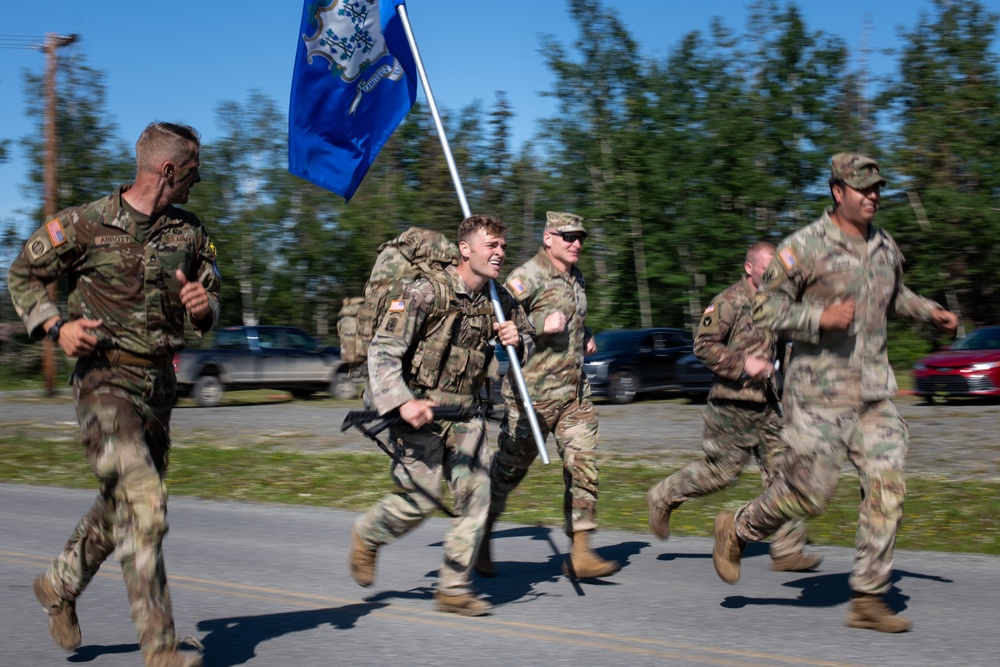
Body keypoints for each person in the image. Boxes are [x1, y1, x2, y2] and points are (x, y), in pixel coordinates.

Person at [711, 153, 959, 633]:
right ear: (837, 192)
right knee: (807, 496)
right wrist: (817, 318)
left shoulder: (884, 245)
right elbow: (764, 308)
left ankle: (868, 596)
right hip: (817, 395)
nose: (872, 196)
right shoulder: (803, 246)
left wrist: (932, 313)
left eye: (877, 189)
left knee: (888, 486)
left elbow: (894, 295)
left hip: (873, 393)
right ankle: (738, 527)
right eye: (861, 188)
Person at [8, 122, 218, 667]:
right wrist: (56, 328)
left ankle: (58, 585)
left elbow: (212, 298)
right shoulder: (84, 224)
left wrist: (203, 307)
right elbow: (23, 274)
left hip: (160, 389)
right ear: (168, 170)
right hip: (104, 382)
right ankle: (160, 648)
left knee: (120, 507)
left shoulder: (190, 232)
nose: (199, 180)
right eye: (194, 169)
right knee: (145, 505)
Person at [349, 214, 532, 617]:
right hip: (418, 409)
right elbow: (383, 350)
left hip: (466, 411)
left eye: (504, 246)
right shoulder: (425, 292)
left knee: (477, 495)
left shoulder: (499, 301)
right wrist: (402, 402)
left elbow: (530, 346)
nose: (501, 252)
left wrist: (517, 341)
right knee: (421, 499)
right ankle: (368, 534)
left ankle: (453, 587)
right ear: (465, 249)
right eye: (492, 245)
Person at [647, 242, 821, 572]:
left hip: (769, 405)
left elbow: (784, 346)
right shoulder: (728, 302)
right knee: (722, 473)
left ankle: (787, 548)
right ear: (750, 268)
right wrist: (743, 363)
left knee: (786, 475)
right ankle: (663, 495)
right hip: (731, 404)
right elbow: (702, 346)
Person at [477, 211, 619, 580]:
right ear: (548, 238)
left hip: (573, 395)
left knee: (583, 464)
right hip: (532, 399)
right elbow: (496, 324)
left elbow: (572, 316)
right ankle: (480, 533)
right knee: (508, 471)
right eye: (568, 236)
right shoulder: (526, 277)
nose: (576, 244)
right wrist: (540, 325)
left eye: (581, 238)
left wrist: (584, 333)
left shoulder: (576, 277)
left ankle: (582, 551)